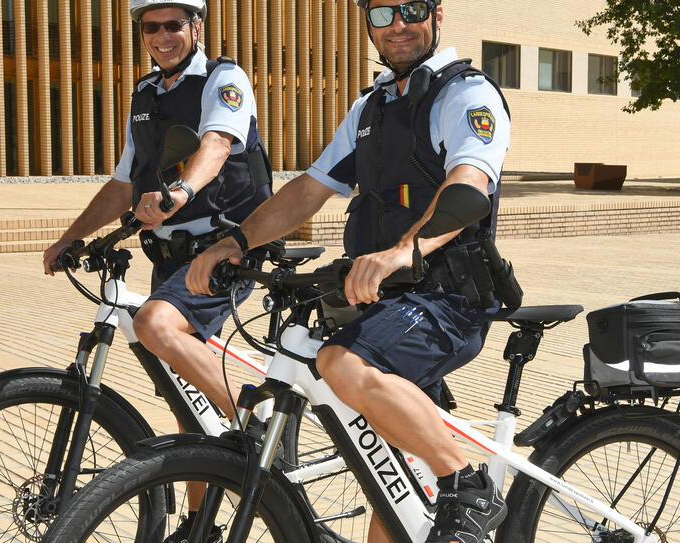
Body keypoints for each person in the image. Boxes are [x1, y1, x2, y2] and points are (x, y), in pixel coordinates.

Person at [187, 0, 511, 541]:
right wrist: (236, 242)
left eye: (411, 9)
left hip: (447, 300)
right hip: (385, 302)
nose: (398, 26)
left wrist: (404, 251)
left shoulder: (465, 95)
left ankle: (468, 486)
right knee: (392, 488)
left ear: (436, 14)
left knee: (341, 362)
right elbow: (309, 190)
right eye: (383, 14)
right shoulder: (372, 107)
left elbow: (468, 182)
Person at [41, 1, 271, 539]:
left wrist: (182, 191)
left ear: (196, 26)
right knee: (183, 396)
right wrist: (74, 236)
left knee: (155, 327)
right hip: (170, 255)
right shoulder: (145, 94)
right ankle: (201, 526)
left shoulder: (223, 78)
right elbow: (124, 181)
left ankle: (256, 416)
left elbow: (216, 144)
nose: (162, 36)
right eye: (151, 27)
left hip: (226, 245)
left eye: (174, 25)